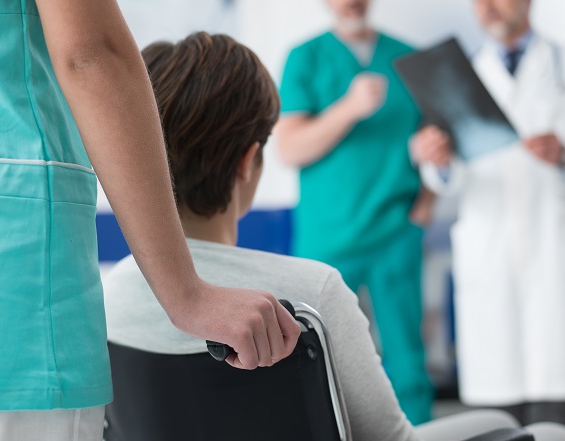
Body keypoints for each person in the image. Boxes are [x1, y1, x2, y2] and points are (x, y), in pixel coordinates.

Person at [103, 33, 565, 441]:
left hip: (391, 241)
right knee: (537, 431)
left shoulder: (112, 294)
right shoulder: (312, 297)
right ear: (248, 162)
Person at [0, 1, 300, 439]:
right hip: (9, 306)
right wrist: (186, 295)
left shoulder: (121, 293)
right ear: (250, 158)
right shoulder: (315, 293)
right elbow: (90, 54)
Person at [275, 0, 432, 424]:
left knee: (408, 361)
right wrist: (349, 108)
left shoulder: (409, 59)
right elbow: (290, 148)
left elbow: (437, 138)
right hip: (328, 236)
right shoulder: (305, 57)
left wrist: (426, 204)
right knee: (316, 358)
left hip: (396, 231)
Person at [411, 0, 565, 425]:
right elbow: (448, 179)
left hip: (553, 252)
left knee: (556, 405)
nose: (487, 7)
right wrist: (436, 160)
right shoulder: (459, 77)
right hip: (490, 256)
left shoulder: (558, 65)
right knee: (498, 418)